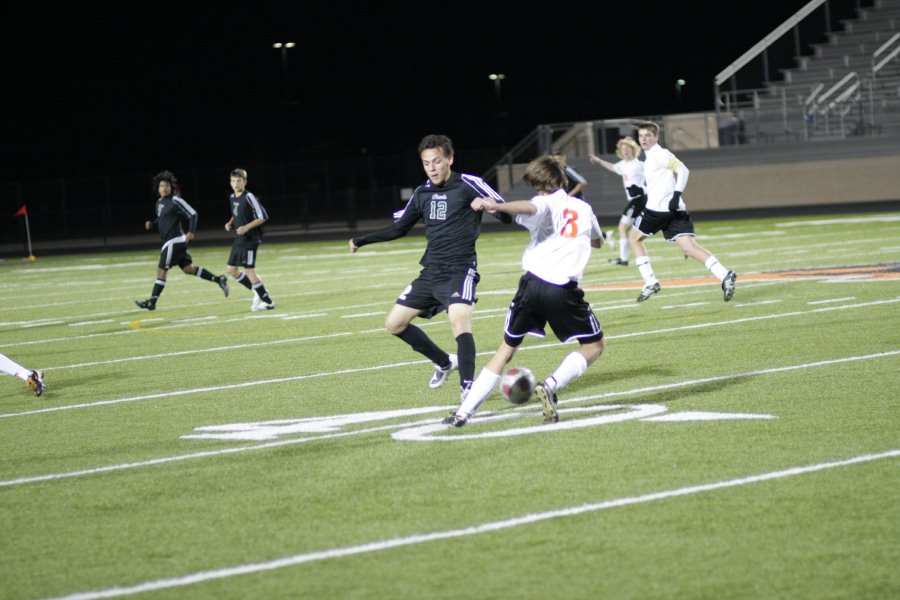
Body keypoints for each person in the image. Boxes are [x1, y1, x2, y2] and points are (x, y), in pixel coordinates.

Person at [444, 155, 605, 427]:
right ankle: (551, 386)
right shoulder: (583, 208)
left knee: (505, 351)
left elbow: (529, 207)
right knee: (593, 346)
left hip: (531, 287)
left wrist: (494, 204)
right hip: (563, 290)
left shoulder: (542, 201)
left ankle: (463, 413)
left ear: (540, 184)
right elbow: (598, 242)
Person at [349, 134, 511, 400]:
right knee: (394, 324)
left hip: (460, 270)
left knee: (459, 320)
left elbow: (507, 214)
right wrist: (361, 240)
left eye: (437, 161)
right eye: (426, 163)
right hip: (431, 273)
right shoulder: (422, 192)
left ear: (450, 158)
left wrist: (491, 207)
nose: (432, 168)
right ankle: (445, 362)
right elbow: (400, 228)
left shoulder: (470, 184)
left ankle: (467, 387)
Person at [629, 121, 736, 302]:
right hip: (674, 210)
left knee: (634, 238)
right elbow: (661, 183)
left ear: (656, 137)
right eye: (641, 136)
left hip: (657, 211)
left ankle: (650, 281)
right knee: (690, 248)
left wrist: (676, 195)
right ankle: (725, 274)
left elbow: (683, 170)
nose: (644, 139)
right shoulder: (650, 158)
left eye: (648, 135)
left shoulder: (659, 154)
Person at [135, 170, 230, 310]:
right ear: (158, 188)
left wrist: (191, 231)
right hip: (172, 242)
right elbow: (162, 218)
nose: (165, 188)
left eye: (167, 185)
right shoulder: (159, 203)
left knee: (161, 270)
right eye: (162, 185)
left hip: (174, 241)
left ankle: (152, 302)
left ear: (171, 187)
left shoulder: (176, 200)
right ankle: (219, 279)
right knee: (188, 269)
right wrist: (152, 223)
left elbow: (193, 214)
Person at [589, 136, 646, 266]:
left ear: (634, 150)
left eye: (628, 149)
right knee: (631, 230)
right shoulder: (623, 165)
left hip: (639, 200)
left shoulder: (640, 165)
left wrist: (644, 189)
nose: (625, 151)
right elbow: (613, 167)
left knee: (623, 227)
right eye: (623, 149)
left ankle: (624, 259)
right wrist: (598, 161)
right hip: (634, 201)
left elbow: (653, 177)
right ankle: (623, 258)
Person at [224, 168, 275, 311]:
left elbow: (263, 216)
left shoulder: (249, 196)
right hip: (240, 237)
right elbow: (236, 213)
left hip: (251, 237)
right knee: (231, 269)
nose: (236, 184)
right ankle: (257, 291)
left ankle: (268, 301)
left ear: (245, 182)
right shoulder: (232, 197)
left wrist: (246, 227)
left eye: (239, 181)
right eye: (233, 181)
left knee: (249, 270)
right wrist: (230, 223)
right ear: (230, 182)